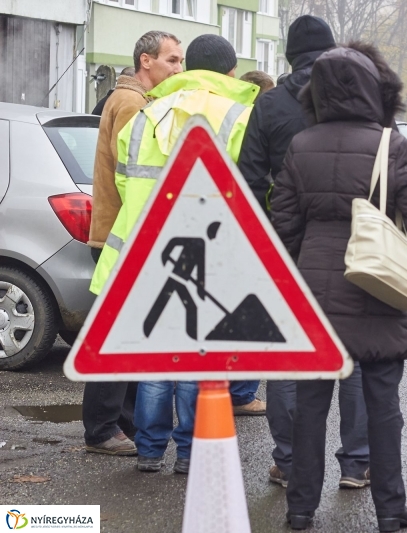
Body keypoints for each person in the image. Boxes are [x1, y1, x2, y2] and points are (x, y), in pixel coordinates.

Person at [271, 41, 407, 532]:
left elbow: (283, 226)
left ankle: (300, 508)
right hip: (377, 288)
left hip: (316, 295)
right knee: (384, 407)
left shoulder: (301, 145)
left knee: (310, 408)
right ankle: (390, 510)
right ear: (374, 89)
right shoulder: (391, 144)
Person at [90, 34, 258, 474]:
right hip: (203, 252)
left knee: (155, 361)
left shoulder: (148, 113)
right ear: (229, 73)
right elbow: (253, 189)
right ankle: (188, 453)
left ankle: (149, 451)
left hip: (143, 252)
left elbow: (125, 182)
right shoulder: (240, 116)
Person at [238, 15, 371, 491]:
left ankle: (289, 461)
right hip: (356, 246)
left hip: (287, 247)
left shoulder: (270, 103)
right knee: (352, 351)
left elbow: (248, 181)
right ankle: (356, 463)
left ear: (290, 56)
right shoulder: (360, 99)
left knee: (288, 357)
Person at [83, 31, 183, 457]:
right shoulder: (133, 105)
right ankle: (103, 430)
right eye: (172, 61)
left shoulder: (130, 100)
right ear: (147, 61)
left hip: (120, 236)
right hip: (122, 238)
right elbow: (137, 183)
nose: (179, 69)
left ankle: (122, 422)